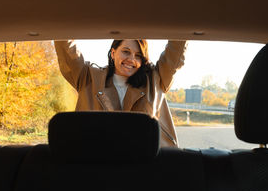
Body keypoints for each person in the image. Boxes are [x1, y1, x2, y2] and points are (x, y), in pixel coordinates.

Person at [54, 39, 187, 147]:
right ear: (113, 53)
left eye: (138, 55)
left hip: (147, 162)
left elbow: (175, 51)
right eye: (126, 52)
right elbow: (66, 49)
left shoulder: (156, 78)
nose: (131, 59)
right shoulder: (88, 77)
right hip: (98, 161)